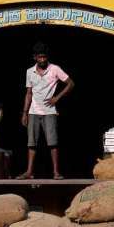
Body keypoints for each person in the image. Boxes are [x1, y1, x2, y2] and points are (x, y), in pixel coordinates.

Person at [18, 42, 74, 180]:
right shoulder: (29, 71)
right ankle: (29, 172)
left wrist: (57, 98)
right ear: (35, 57)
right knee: (31, 144)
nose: (42, 60)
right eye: (39, 57)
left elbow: (70, 83)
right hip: (33, 112)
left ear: (47, 57)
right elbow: (29, 93)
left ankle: (56, 172)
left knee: (53, 143)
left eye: (44, 57)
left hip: (49, 111)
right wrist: (25, 112)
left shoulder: (55, 69)